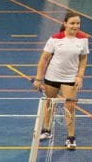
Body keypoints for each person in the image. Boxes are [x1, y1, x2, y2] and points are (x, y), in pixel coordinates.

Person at [32, 11, 88, 151]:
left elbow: (83, 59)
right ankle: (46, 130)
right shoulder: (55, 39)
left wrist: (79, 76)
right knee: (50, 104)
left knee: (69, 108)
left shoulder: (83, 39)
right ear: (65, 23)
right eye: (73, 23)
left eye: (78, 23)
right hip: (52, 77)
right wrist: (39, 78)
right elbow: (43, 59)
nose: (76, 26)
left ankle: (70, 137)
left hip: (70, 79)